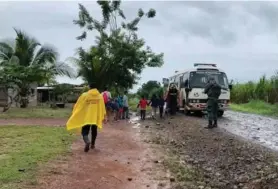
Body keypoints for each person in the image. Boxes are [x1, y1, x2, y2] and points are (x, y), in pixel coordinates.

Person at [66, 82, 106, 152]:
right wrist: (104, 115)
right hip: (95, 117)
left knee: (84, 131)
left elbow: (79, 105)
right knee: (94, 130)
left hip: (87, 117)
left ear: (90, 87)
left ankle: (87, 141)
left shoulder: (85, 95)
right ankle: (93, 144)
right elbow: (102, 107)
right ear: (96, 88)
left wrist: (76, 111)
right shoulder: (100, 96)